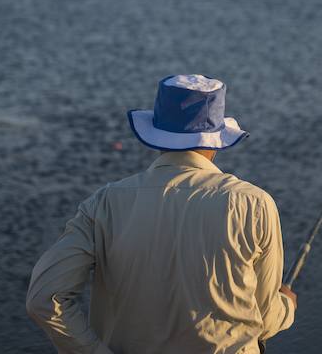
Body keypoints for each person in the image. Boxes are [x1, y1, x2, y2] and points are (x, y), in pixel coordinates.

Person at [26, 74, 296, 353]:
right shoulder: (255, 204)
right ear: (216, 139)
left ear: (157, 135)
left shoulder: (105, 203)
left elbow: (44, 299)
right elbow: (264, 319)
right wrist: (286, 305)